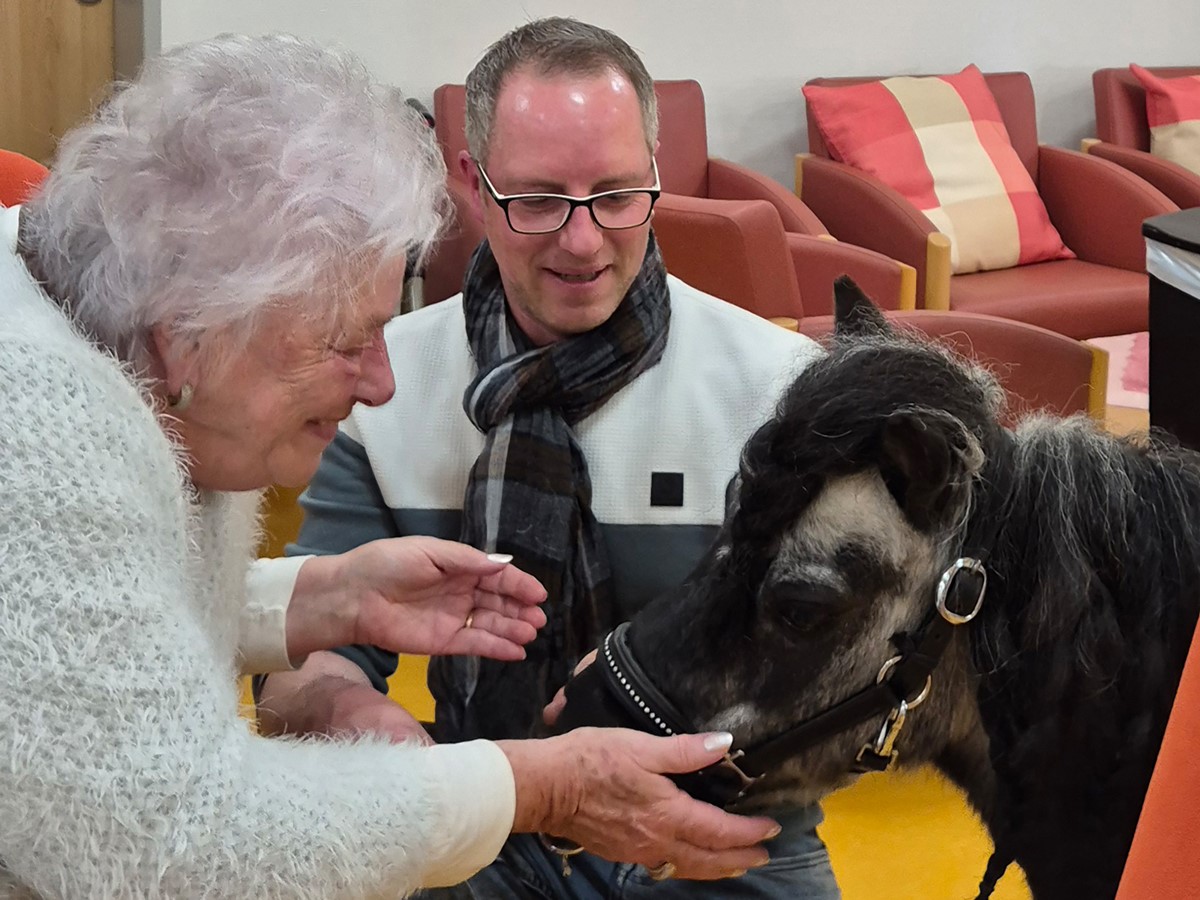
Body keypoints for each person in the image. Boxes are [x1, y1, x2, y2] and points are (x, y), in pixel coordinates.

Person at [0, 33, 784, 900]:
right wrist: (537, 786)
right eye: (346, 343)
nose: (382, 381)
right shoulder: (39, 436)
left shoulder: (145, 355)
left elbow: (105, 622)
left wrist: (328, 599)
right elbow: (175, 843)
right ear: (190, 334)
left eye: (613, 194)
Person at [257, 17, 841, 900]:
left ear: (656, 168)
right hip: (479, 817)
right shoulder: (384, 388)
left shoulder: (779, 390)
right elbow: (300, 659)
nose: (583, 243)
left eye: (616, 194)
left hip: (715, 830)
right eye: (537, 201)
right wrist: (360, 722)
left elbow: (846, 672)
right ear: (472, 184)